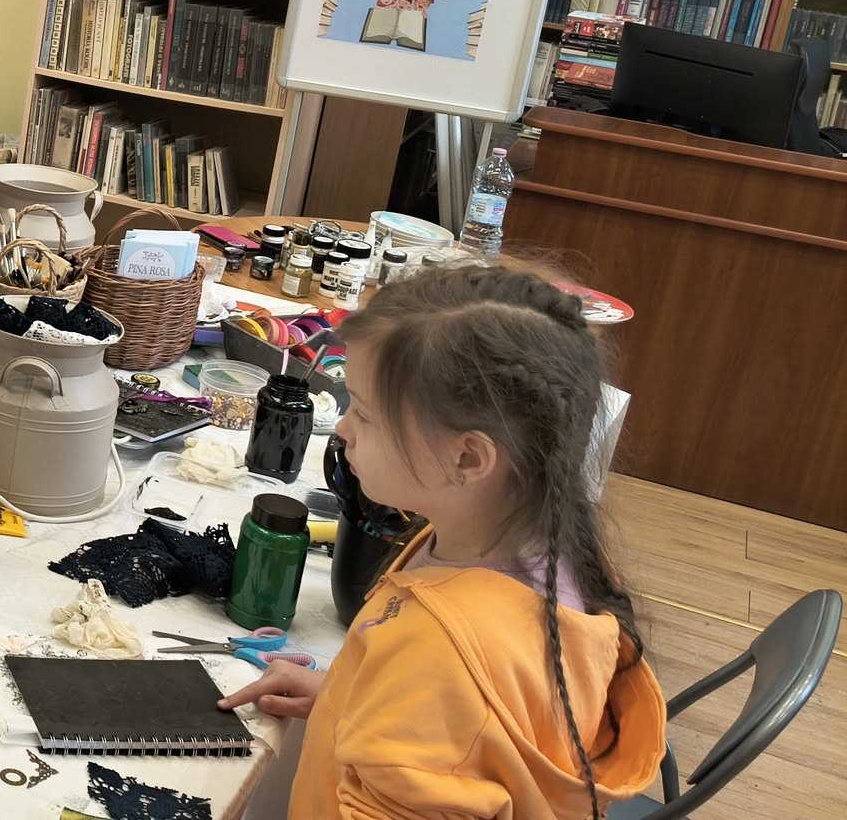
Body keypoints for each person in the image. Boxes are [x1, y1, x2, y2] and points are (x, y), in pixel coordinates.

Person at [219, 263, 665, 819]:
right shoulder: (533, 545)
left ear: (467, 458)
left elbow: (449, 700)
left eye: (366, 413)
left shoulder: (440, 656)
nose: (344, 429)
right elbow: (469, 735)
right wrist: (347, 695)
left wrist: (402, 699)